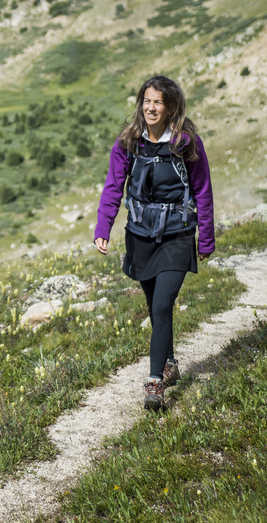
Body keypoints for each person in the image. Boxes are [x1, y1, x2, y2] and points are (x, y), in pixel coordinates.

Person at [94, 75, 215, 411]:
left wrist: (206, 237)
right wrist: (103, 228)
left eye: (157, 102)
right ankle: (170, 361)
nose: (150, 107)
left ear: (171, 107)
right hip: (140, 235)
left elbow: (203, 190)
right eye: (146, 101)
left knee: (162, 305)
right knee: (155, 307)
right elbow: (114, 187)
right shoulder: (128, 142)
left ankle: (154, 383)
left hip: (177, 235)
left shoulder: (186, 143)